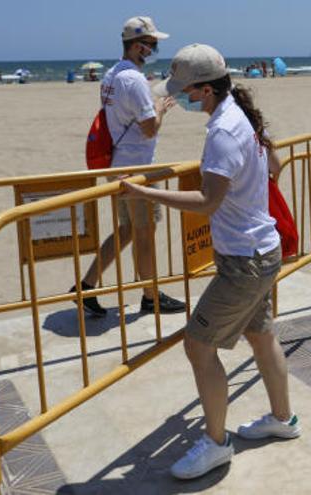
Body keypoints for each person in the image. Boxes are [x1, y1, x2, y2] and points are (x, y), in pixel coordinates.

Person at [121, 43, 299, 480]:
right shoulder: (242, 113)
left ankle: (216, 444)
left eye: (184, 91)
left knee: (198, 346)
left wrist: (145, 193)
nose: (180, 98)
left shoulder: (223, 131)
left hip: (244, 261)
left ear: (202, 90)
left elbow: (207, 201)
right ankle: (283, 419)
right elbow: (274, 164)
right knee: (260, 334)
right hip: (262, 250)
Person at [69, 15, 185, 317]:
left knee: (127, 229)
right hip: (136, 167)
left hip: (118, 163)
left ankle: (86, 285)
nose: (152, 51)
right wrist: (160, 109)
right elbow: (149, 128)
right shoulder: (132, 79)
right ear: (136, 46)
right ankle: (150, 295)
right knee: (144, 231)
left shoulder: (111, 74)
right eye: (150, 46)